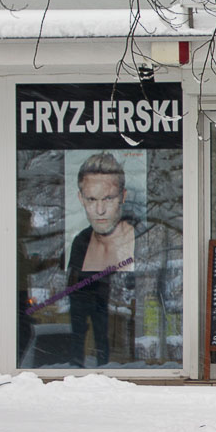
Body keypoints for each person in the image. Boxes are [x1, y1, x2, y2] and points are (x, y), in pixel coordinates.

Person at [68, 152, 137, 366]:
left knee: (102, 337)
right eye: (91, 199)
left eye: (108, 198)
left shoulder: (139, 240)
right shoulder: (80, 241)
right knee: (80, 335)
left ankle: (103, 364)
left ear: (122, 196)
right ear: (81, 199)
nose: (100, 210)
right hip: (83, 299)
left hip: (103, 301)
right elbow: (71, 277)